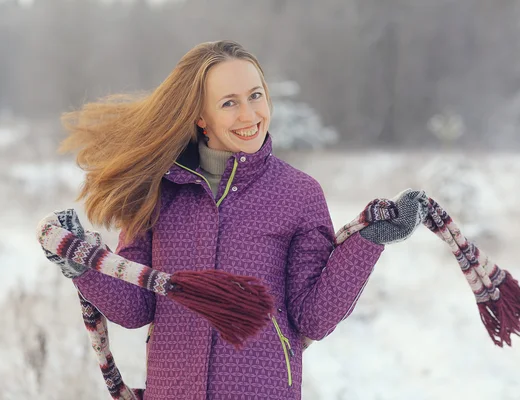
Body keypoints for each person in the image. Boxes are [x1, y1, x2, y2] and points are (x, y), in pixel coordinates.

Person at [56, 40, 427, 400]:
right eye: (229, 103)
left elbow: (312, 316)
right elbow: (137, 308)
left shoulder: (298, 193)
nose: (249, 115)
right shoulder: (161, 192)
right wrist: (83, 264)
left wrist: (369, 240)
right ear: (202, 117)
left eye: (255, 96)